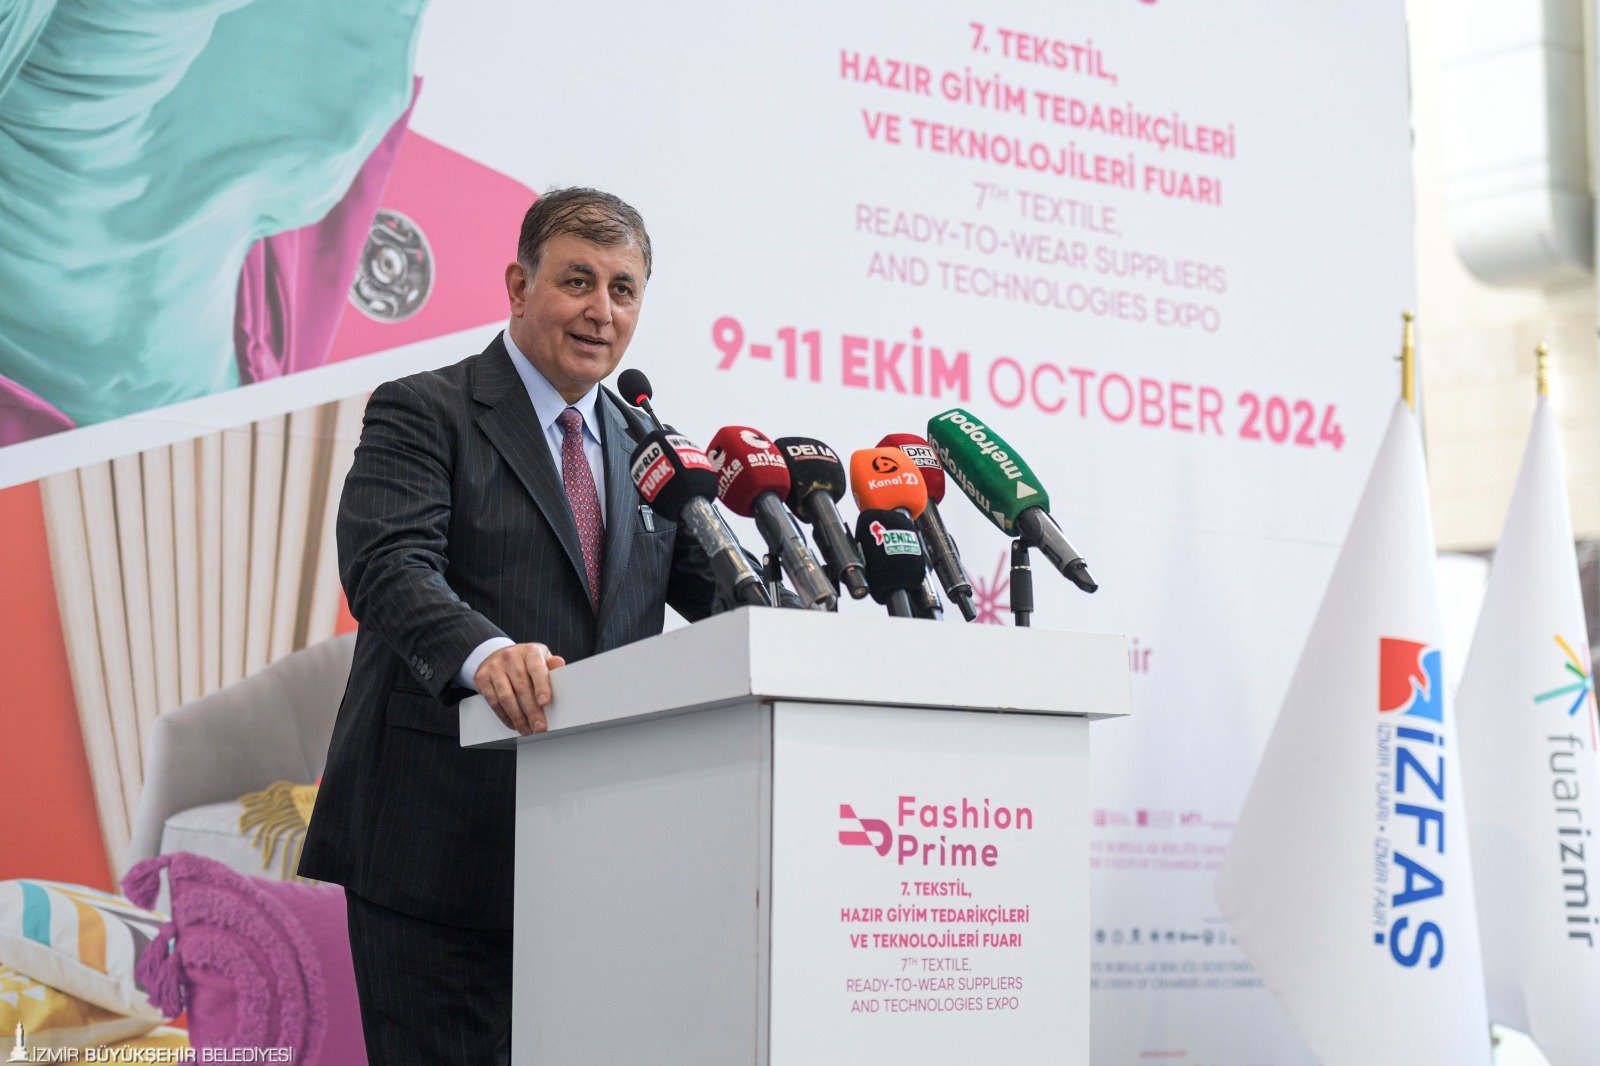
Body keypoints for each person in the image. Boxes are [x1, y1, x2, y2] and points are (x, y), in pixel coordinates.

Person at [298, 187, 730, 1065]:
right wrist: (486, 653)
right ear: (519, 285)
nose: (601, 310)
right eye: (577, 281)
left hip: (601, 860)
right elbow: (388, 566)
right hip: (439, 848)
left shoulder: (652, 452)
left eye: (623, 289)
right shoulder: (426, 409)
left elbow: (727, 601)